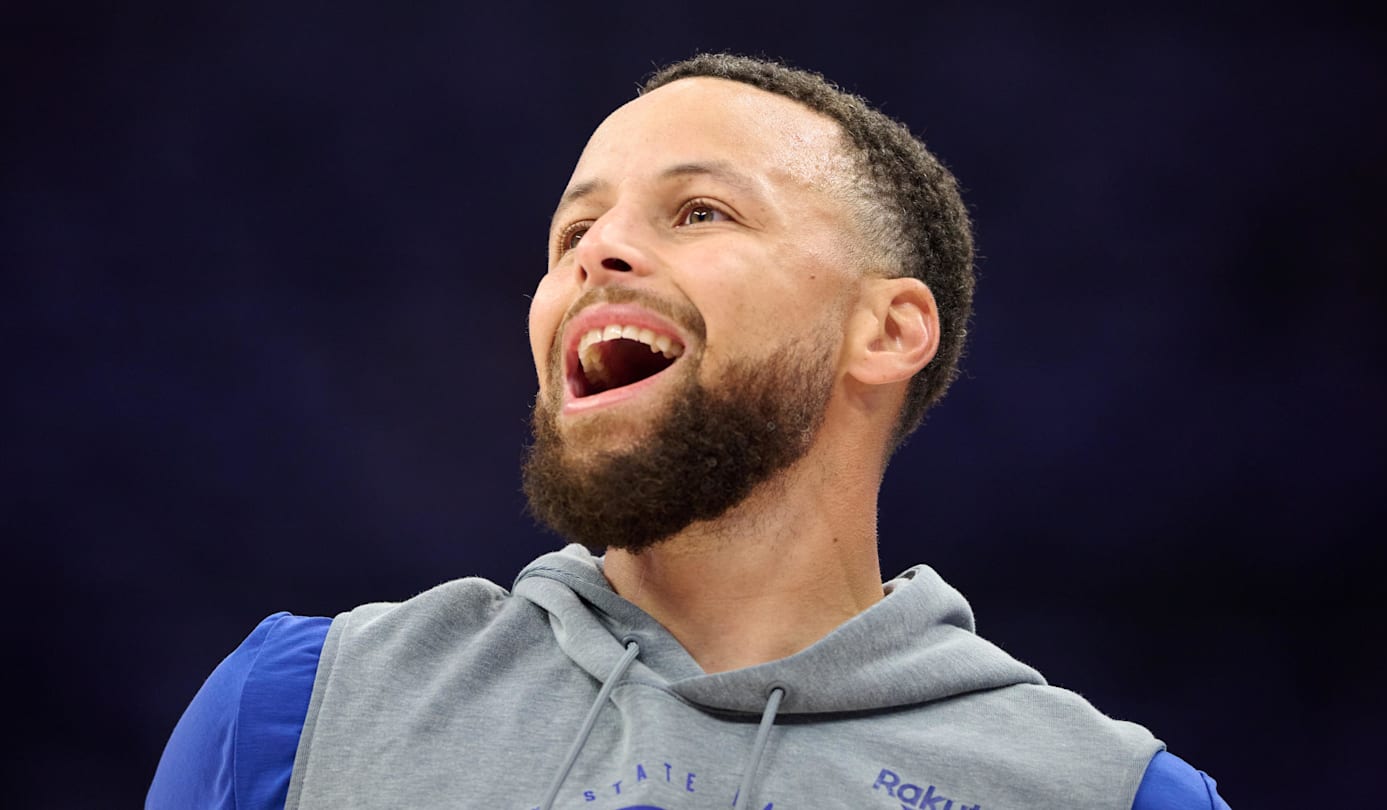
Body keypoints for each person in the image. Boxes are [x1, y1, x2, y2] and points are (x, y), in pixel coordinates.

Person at [147, 53, 1231, 810]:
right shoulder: (300, 706)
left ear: (887, 329)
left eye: (700, 212)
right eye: (575, 228)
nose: (596, 254)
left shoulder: (1104, 794)